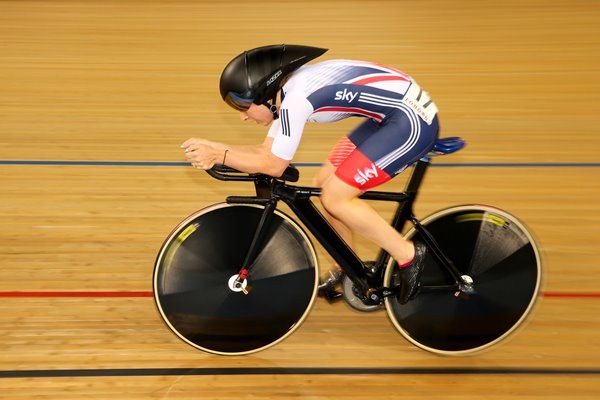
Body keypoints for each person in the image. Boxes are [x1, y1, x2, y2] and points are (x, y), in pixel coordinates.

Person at [181, 44, 439, 304]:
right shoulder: (284, 96)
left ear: (264, 95)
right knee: (323, 184)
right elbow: (266, 151)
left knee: (336, 197)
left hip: (412, 121)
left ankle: (408, 254)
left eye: (243, 107)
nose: (243, 118)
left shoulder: (296, 100)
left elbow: (274, 165)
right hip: (390, 115)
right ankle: (348, 269)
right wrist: (217, 148)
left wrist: (219, 155)